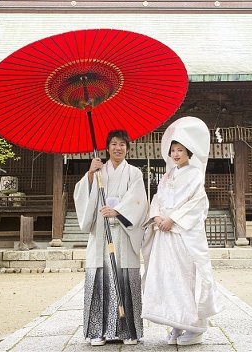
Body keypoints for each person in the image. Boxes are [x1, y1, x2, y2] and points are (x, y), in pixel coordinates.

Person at [141, 117, 221, 346]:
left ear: (188, 152)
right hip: (166, 235)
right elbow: (157, 198)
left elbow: (196, 202)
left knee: (188, 278)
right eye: (173, 150)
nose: (175, 154)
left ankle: (194, 328)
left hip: (184, 234)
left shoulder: (195, 174)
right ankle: (176, 322)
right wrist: (156, 216)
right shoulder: (167, 175)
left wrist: (172, 219)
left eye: (180, 150)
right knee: (169, 278)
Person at [74, 129, 149, 347]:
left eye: (122, 144)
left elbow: (139, 201)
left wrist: (118, 211)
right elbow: (82, 195)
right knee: (100, 278)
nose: (118, 148)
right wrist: (90, 174)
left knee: (125, 279)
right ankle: (98, 331)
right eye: (114, 144)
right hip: (100, 231)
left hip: (124, 233)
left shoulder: (134, 173)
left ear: (127, 148)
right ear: (107, 148)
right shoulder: (98, 171)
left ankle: (129, 331)